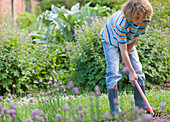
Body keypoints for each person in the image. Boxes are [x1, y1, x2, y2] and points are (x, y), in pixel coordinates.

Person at [101, 0, 155, 115]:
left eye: (142, 18)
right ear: (130, 15)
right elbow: (123, 50)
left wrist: (129, 60)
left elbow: (135, 36)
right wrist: (130, 71)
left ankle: (141, 105)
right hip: (110, 40)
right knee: (113, 71)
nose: (139, 21)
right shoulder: (122, 23)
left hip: (128, 41)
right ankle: (114, 109)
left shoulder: (144, 20)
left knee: (138, 70)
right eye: (136, 18)